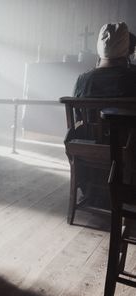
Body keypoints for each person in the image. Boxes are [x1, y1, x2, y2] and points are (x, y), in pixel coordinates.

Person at [70, 22, 136, 208]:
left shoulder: (83, 80)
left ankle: (93, 190)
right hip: (127, 150)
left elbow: (77, 118)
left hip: (88, 151)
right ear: (127, 49)